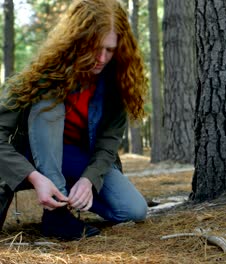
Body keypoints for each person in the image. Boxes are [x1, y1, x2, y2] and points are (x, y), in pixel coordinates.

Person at [0, 0, 148, 240]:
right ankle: (56, 215)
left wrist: (89, 180)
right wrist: (35, 177)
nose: (101, 58)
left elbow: (108, 143)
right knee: (49, 105)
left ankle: (65, 194)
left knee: (133, 209)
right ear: (76, 40)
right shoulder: (37, 78)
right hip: (29, 161)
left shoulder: (117, 85)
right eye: (94, 47)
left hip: (77, 160)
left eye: (109, 50)